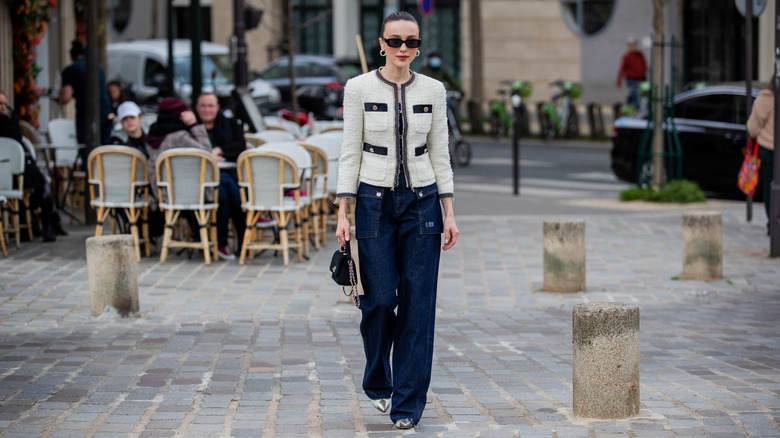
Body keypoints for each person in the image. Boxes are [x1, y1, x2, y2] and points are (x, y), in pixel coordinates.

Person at [335, 11, 459, 430]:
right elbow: (350, 150)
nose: (404, 48)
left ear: (418, 44)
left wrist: (449, 210)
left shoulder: (434, 90)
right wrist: (342, 210)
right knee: (380, 301)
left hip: (423, 203)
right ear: (381, 43)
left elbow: (440, 151)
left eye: (411, 41)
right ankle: (377, 380)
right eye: (396, 40)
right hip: (372, 202)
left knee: (418, 308)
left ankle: (408, 404)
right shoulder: (359, 88)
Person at [0, 90, 62, 242]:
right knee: (38, 181)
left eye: (4, 104)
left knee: (38, 181)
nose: (2, 107)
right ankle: (46, 222)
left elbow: (17, 143)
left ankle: (43, 221)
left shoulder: (10, 119)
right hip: (6, 170)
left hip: (18, 167)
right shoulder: (7, 121)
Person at [195, 93, 246, 260]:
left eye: (211, 105)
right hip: (199, 178)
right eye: (203, 105)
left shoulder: (229, 124)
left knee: (225, 190)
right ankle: (240, 240)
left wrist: (219, 150)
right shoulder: (192, 126)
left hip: (228, 174)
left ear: (217, 107)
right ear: (197, 108)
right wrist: (208, 156)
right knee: (230, 192)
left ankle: (221, 243)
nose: (207, 110)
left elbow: (240, 145)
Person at [143, 97, 213, 199]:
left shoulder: (152, 133)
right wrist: (194, 124)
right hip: (187, 193)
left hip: (162, 192)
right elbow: (207, 152)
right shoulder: (179, 136)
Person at [56, 40, 113, 145]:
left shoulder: (70, 70)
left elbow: (65, 97)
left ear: (74, 56)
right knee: (103, 149)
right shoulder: (98, 67)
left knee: (86, 150)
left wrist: (57, 99)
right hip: (105, 113)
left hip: (86, 115)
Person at [747, 78, 775, 235]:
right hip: (770, 150)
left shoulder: (764, 99)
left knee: (769, 187)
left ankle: (773, 221)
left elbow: (752, 128)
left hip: (766, 148)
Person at [615, 36, 647, 111]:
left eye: (634, 45)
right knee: (635, 92)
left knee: (640, 93)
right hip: (631, 79)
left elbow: (644, 65)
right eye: (631, 45)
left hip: (640, 78)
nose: (633, 47)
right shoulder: (626, 56)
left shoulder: (640, 54)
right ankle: (638, 108)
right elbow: (622, 68)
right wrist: (619, 79)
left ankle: (627, 104)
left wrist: (643, 73)